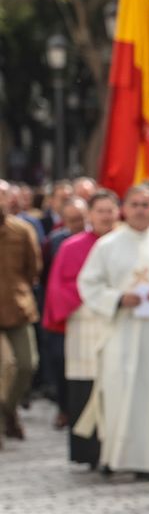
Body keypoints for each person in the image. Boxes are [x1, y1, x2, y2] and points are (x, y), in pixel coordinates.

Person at [74, 183, 149, 477]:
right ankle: (115, 456)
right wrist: (117, 298)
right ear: (125, 209)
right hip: (121, 330)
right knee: (117, 393)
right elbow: (88, 283)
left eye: (146, 204)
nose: (140, 210)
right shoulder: (107, 245)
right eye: (135, 204)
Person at [44, 190, 117, 467]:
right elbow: (58, 289)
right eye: (101, 211)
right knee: (85, 386)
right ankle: (89, 452)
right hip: (83, 324)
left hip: (115, 323)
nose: (106, 217)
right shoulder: (72, 246)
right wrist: (94, 296)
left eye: (110, 210)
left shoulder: (123, 243)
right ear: (90, 214)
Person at [39, 196, 85, 427]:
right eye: (71, 220)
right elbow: (44, 272)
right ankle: (64, 408)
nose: (76, 224)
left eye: (80, 219)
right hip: (63, 310)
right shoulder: (58, 242)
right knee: (61, 361)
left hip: (92, 314)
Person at [0, 185, 41, 443]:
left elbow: (33, 268)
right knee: (5, 366)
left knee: (27, 364)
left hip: (17, 308)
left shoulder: (22, 230)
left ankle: (7, 409)